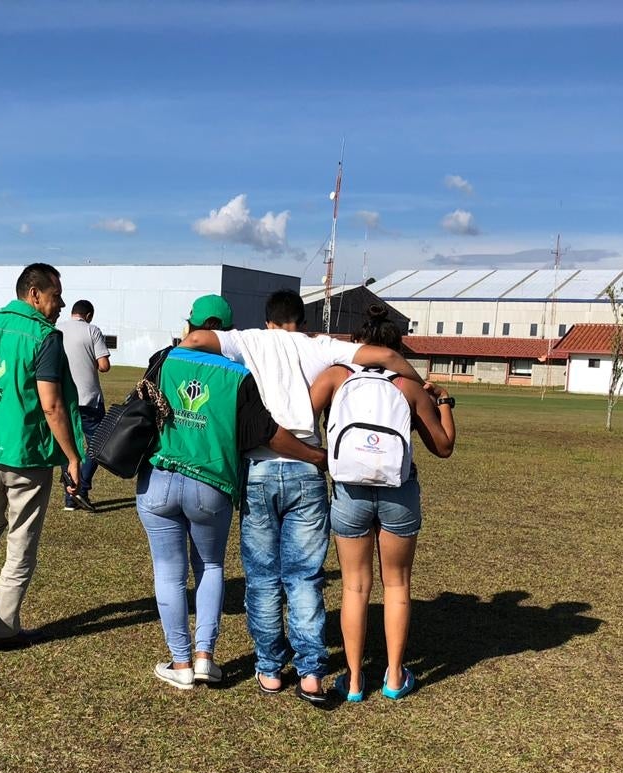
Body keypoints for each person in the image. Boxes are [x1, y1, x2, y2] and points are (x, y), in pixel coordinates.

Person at [181, 289, 426, 706]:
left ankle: (270, 668)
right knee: (305, 576)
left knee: (261, 577)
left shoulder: (248, 340)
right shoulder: (320, 346)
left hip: (259, 467)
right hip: (307, 469)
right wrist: (420, 384)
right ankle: (311, 671)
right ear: (301, 321)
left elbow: (199, 342)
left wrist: (192, 347)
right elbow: (385, 358)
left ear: (269, 319)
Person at [140, 294, 326, 690]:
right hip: (212, 484)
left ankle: (180, 663)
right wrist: (313, 455)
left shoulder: (164, 359)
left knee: (168, 573)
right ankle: (205, 657)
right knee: (210, 566)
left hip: (159, 477)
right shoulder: (239, 373)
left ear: (190, 324)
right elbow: (263, 432)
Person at [309, 308, 456, 701]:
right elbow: (443, 446)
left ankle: (354, 680)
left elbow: (302, 419)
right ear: (396, 347)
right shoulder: (407, 386)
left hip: (349, 492)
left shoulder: (337, 377)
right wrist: (445, 402)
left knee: (355, 587)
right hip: (399, 491)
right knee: (397, 584)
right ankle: (393, 676)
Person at [0, 263, 84, 649]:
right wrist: (72, 457)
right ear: (34, 294)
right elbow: (52, 406)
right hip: (26, 455)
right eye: (56, 296)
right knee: (21, 538)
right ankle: (5, 627)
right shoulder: (44, 338)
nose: (60, 305)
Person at [57, 299, 111, 511]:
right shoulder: (92, 330)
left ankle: (70, 498)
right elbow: (104, 365)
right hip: (89, 398)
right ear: (88, 315)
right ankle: (83, 485)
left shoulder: (57, 329)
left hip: (63, 398)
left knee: (67, 446)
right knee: (99, 444)